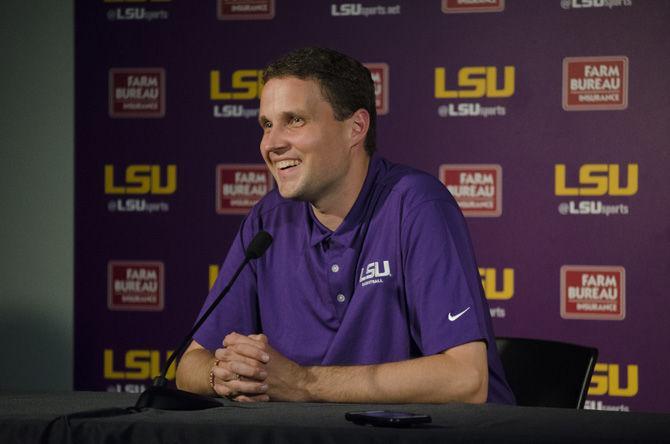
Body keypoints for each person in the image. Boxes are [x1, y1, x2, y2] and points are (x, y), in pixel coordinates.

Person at [175, 47, 515, 404]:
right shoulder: (267, 220)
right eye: (267, 125)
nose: (271, 144)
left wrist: (303, 383)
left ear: (356, 128)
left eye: (295, 120)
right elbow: (189, 366)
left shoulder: (416, 205)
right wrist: (223, 375)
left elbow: (466, 379)